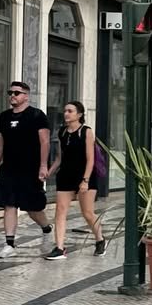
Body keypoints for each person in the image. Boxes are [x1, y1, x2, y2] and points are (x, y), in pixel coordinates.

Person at [0, 81, 51, 258]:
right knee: (9, 204)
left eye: (17, 93)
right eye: (10, 92)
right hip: (9, 169)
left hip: (30, 169)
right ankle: (9, 244)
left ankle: (47, 229)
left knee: (32, 207)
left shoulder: (36, 115)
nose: (12, 96)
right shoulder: (4, 117)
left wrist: (43, 165)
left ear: (26, 95)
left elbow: (45, 142)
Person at [44, 101, 105, 260]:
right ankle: (59, 248)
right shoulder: (62, 132)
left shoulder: (86, 132)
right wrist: (49, 172)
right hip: (65, 175)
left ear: (79, 114)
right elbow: (59, 157)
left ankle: (100, 239)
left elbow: (90, 159)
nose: (66, 114)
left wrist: (85, 180)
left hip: (85, 176)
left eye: (70, 111)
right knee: (60, 211)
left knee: (87, 213)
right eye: (65, 111)